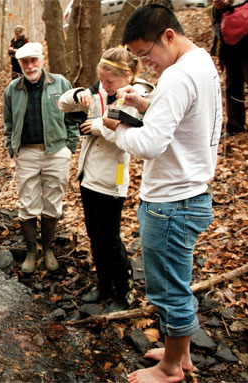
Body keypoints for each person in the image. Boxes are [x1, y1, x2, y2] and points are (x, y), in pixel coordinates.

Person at [107, 5, 222, 383]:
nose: (147, 64)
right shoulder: (202, 63)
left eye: (146, 55)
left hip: (171, 201)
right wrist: (145, 105)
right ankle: (182, 352)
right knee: (179, 279)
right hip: (192, 191)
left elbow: (152, 143)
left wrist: (117, 129)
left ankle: (170, 368)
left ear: (168, 36)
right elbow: (182, 118)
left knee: (169, 289)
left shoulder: (177, 75)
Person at [58, 47, 154, 313]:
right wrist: (79, 93)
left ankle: (125, 291)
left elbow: (129, 138)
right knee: (94, 235)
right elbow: (62, 104)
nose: (105, 85)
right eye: (101, 80)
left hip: (115, 175)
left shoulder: (137, 97)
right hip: (89, 174)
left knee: (110, 238)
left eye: (109, 81)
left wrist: (99, 126)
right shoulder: (100, 91)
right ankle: (103, 284)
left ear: (127, 76)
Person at [3, 42, 79, 273]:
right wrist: (11, 147)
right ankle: (31, 251)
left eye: (33, 60)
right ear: (19, 65)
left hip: (56, 151)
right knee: (27, 203)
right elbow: (8, 122)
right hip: (26, 152)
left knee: (53, 201)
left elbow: (74, 116)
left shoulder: (60, 83)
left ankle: (48, 248)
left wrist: (70, 146)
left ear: (42, 60)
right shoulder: (13, 89)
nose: (29, 66)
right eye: (24, 62)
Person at [210, 0, 248, 136]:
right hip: (229, 43)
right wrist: (219, 7)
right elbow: (212, 13)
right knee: (232, 85)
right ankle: (235, 125)